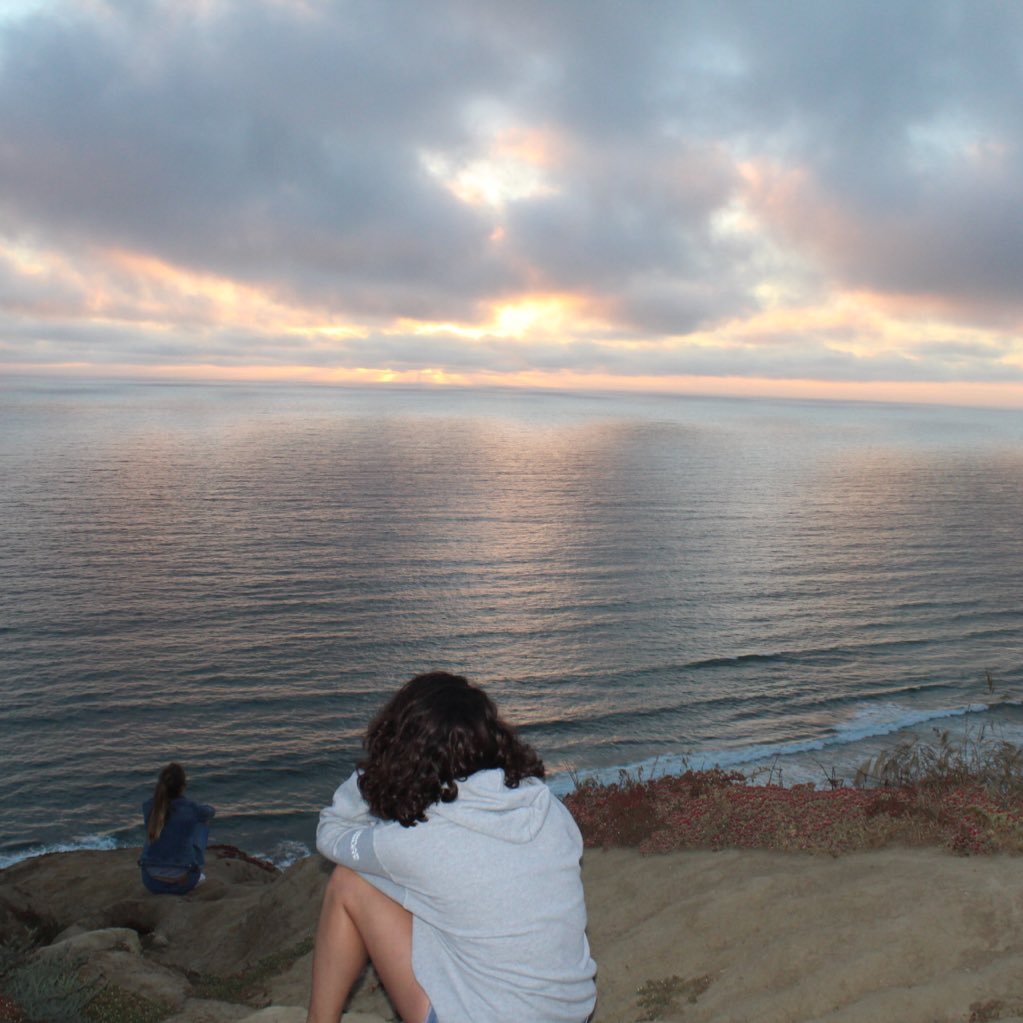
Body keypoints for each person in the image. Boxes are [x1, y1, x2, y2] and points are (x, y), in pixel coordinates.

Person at [309, 671, 597, 1023]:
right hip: (572, 1014)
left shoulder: (417, 843)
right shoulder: (545, 806)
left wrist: (373, 774)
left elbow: (331, 835)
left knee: (348, 882)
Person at [138, 762, 215, 895]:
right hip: (183, 883)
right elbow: (210, 812)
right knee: (201, 823)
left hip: (150, 881)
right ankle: (197, 866)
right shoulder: (191, 808)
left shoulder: (148, 807)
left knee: (156, 829)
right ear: (183, 787)